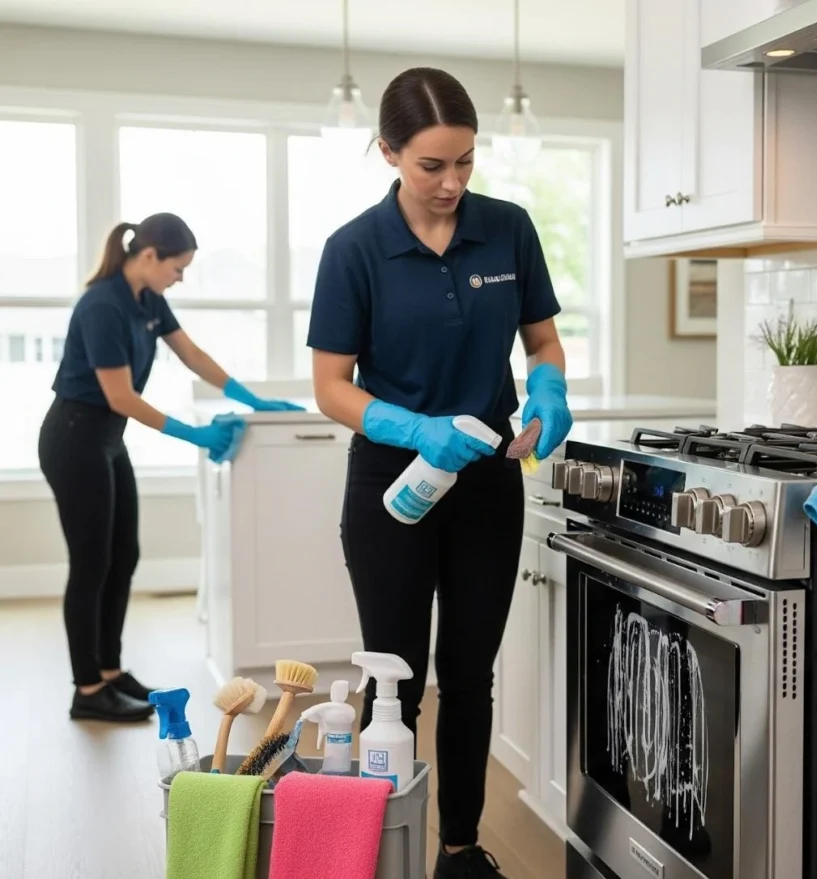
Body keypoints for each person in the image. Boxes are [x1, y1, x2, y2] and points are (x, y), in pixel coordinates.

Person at [308, 66, 573, 879]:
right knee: (396, 676)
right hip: (394, 486)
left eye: (466, 161)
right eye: (432, 165)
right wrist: (411, 424)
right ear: (388, 152)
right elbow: (330, 386)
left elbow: (542, 341)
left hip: (489, 484)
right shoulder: (354, 249)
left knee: (469, 674)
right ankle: (374, 847)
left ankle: (459, 849)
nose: (453, 182)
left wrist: (551, 390)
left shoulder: (509, 229)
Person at [39, 212, 303, 724]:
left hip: (106, 441)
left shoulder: (147, 300)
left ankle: (111, 673)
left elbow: (192, 354)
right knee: (91, 564)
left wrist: (250, 398)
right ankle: (87, 689)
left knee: (124, 555)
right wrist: (196, 435)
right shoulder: (102, 306)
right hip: (75, 440)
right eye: (177, 268)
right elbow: (121, 396)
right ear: (149, 256)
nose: (179, 278)